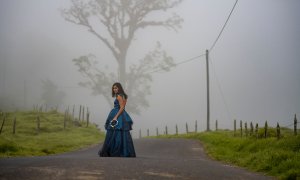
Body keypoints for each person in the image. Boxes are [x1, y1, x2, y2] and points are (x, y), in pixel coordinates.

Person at [98, 82, 136, 157]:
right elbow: (123, 107)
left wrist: (115, 117)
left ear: (119, 88)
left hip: (118, 114)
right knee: (121, 133)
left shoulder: (119, 96)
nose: (114, 89)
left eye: (116, 88)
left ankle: (115, 151)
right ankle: (124, 151)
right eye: (113, 88)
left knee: (115, 133)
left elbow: (122, 107)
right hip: (122, 115)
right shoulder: (123, 96)